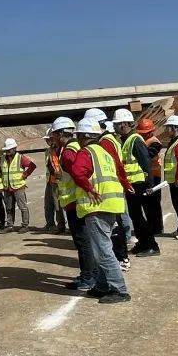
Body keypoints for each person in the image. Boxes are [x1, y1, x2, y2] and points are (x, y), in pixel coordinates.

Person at [72, 118, 131, 303]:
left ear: (83, 136)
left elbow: (77, 171)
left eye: (79, 136)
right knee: (102, 248)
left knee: (103, 250)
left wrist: (88, 189)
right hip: (111, 205)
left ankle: (119, 289)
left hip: (97, 206)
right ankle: (103, 285)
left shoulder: (86, 152)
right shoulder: (104, 152)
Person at [52, 116, 95, 291]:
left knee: (82, 241)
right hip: (78, 200)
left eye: (55, 134)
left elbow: (78, 175)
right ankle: (90, 274)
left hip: (75, 202)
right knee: (85, 240)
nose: (53, 137)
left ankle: (88, 277)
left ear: (62, 133)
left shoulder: (69, 152)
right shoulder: (77, 147)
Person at [114, 109, 159, 256]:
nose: (115, 127)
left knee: (139, 217)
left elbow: (146, 162)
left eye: (117, 124)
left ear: (124, 124)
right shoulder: (126, 140)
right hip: (132, 184)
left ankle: (152, 246)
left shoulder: (135, 140)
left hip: (139, 183)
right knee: (135, 216)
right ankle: (143, 243)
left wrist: (150, 184)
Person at [0, 138, 36, 232]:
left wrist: (26, 174)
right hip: (7, 187)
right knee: (9, 208)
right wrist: (3, 178)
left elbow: (32, 166)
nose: (7, 151)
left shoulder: (20, 158)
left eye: (9, 149)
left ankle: (25, 225)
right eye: (6, 150)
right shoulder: (1, 159)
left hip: (18, 187)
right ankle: (10, 225)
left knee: (22, 207)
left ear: (14, 148)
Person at [140, 119, 165, 235]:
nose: (142, 134)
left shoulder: (155, 142)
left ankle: (157, 227)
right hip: (146, 176)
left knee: (154, 203)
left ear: (150, 132)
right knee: (147, 203)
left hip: (154, 176)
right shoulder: (143, 141)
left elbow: (148, 156)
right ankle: (151, 225)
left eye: (144, 132)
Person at [41, 129, 67, 233]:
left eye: (49, 139)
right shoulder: (48, 150)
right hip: (50, 181)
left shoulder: (61, 149)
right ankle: (50, 224)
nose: (47, 141)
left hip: (59, 181)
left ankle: (61, 226)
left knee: (59, 205)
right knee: (48, 204)